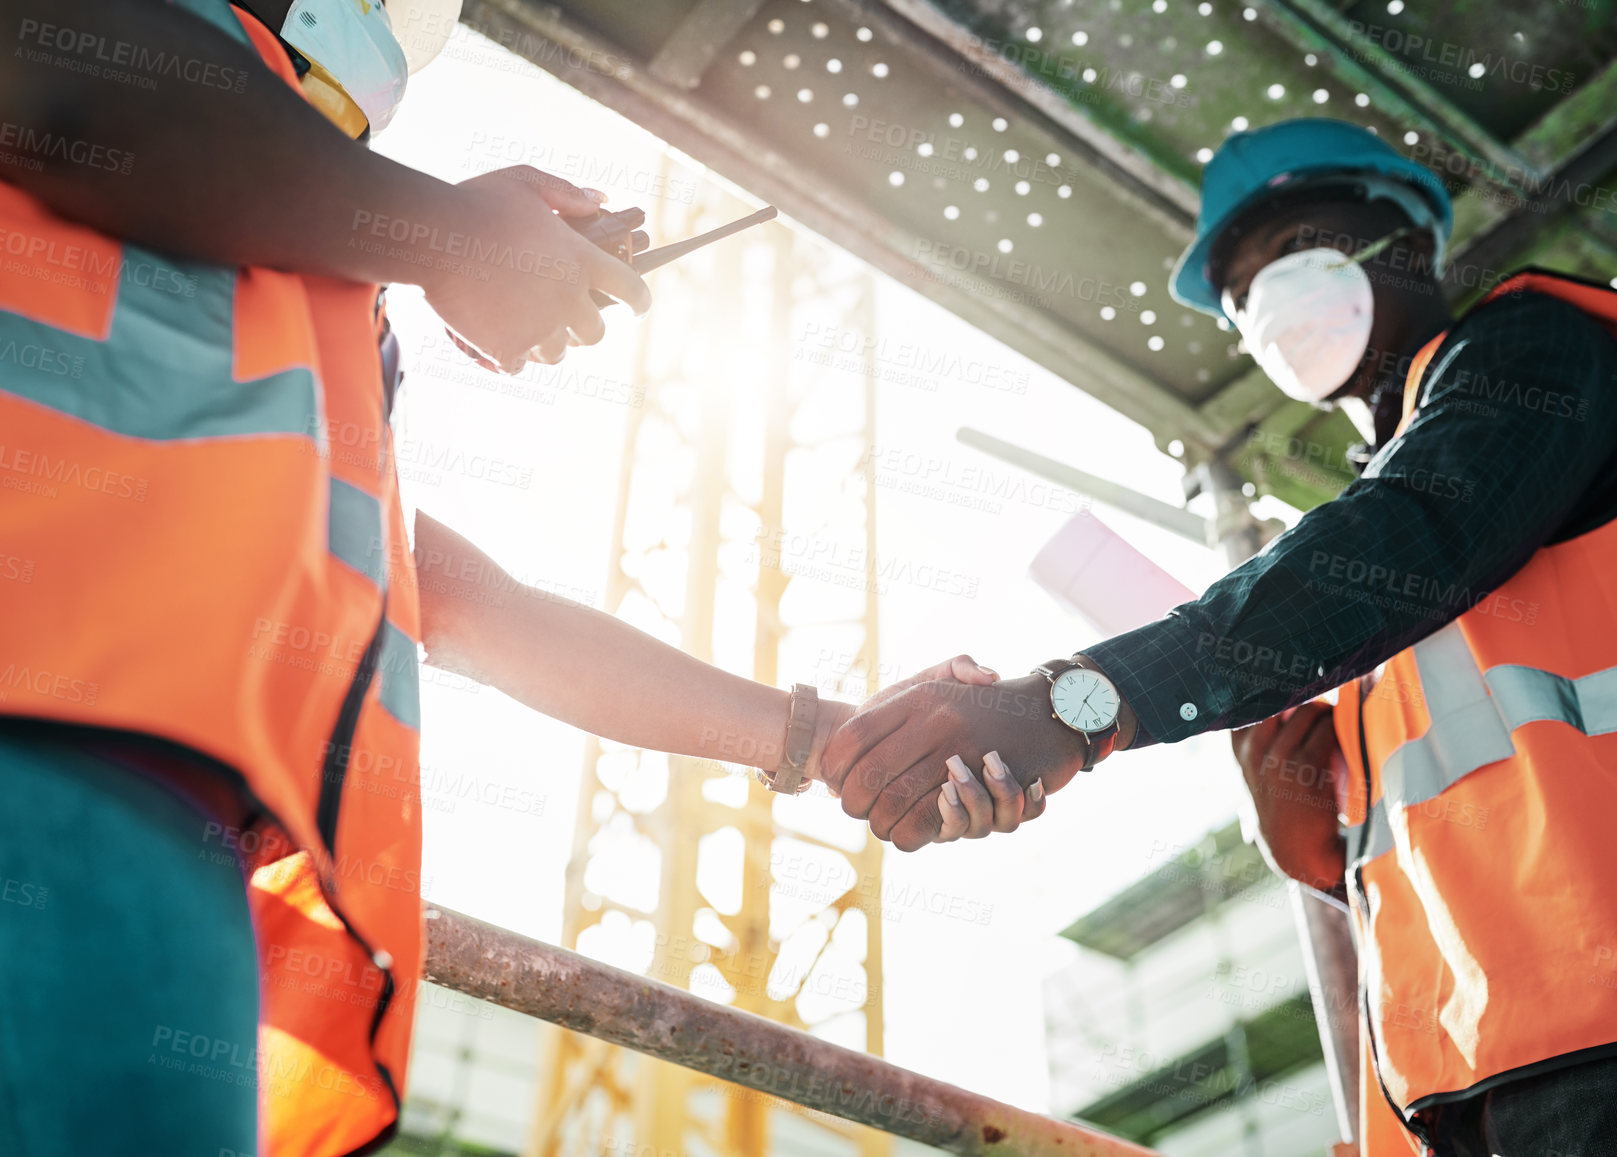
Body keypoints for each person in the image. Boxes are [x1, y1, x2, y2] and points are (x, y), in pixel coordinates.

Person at [0, 3, 1031, 1155]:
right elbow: (77, 72)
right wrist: (440, 232)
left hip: (161, 829)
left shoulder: (291, 304)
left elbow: (474, 608)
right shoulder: (138, 92)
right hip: (61, 767)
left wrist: (827, 735)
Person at [821, 117, 1617, 1155]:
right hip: (1478, 1079)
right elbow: (1490, 820)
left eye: (1294, 247)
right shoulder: (1368, 617)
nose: (1266, 303)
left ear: (1404, 238)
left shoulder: (1534, 354)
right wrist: (1324, 850)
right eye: (1240, 293)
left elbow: (1422, 531)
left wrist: (1079, 702)